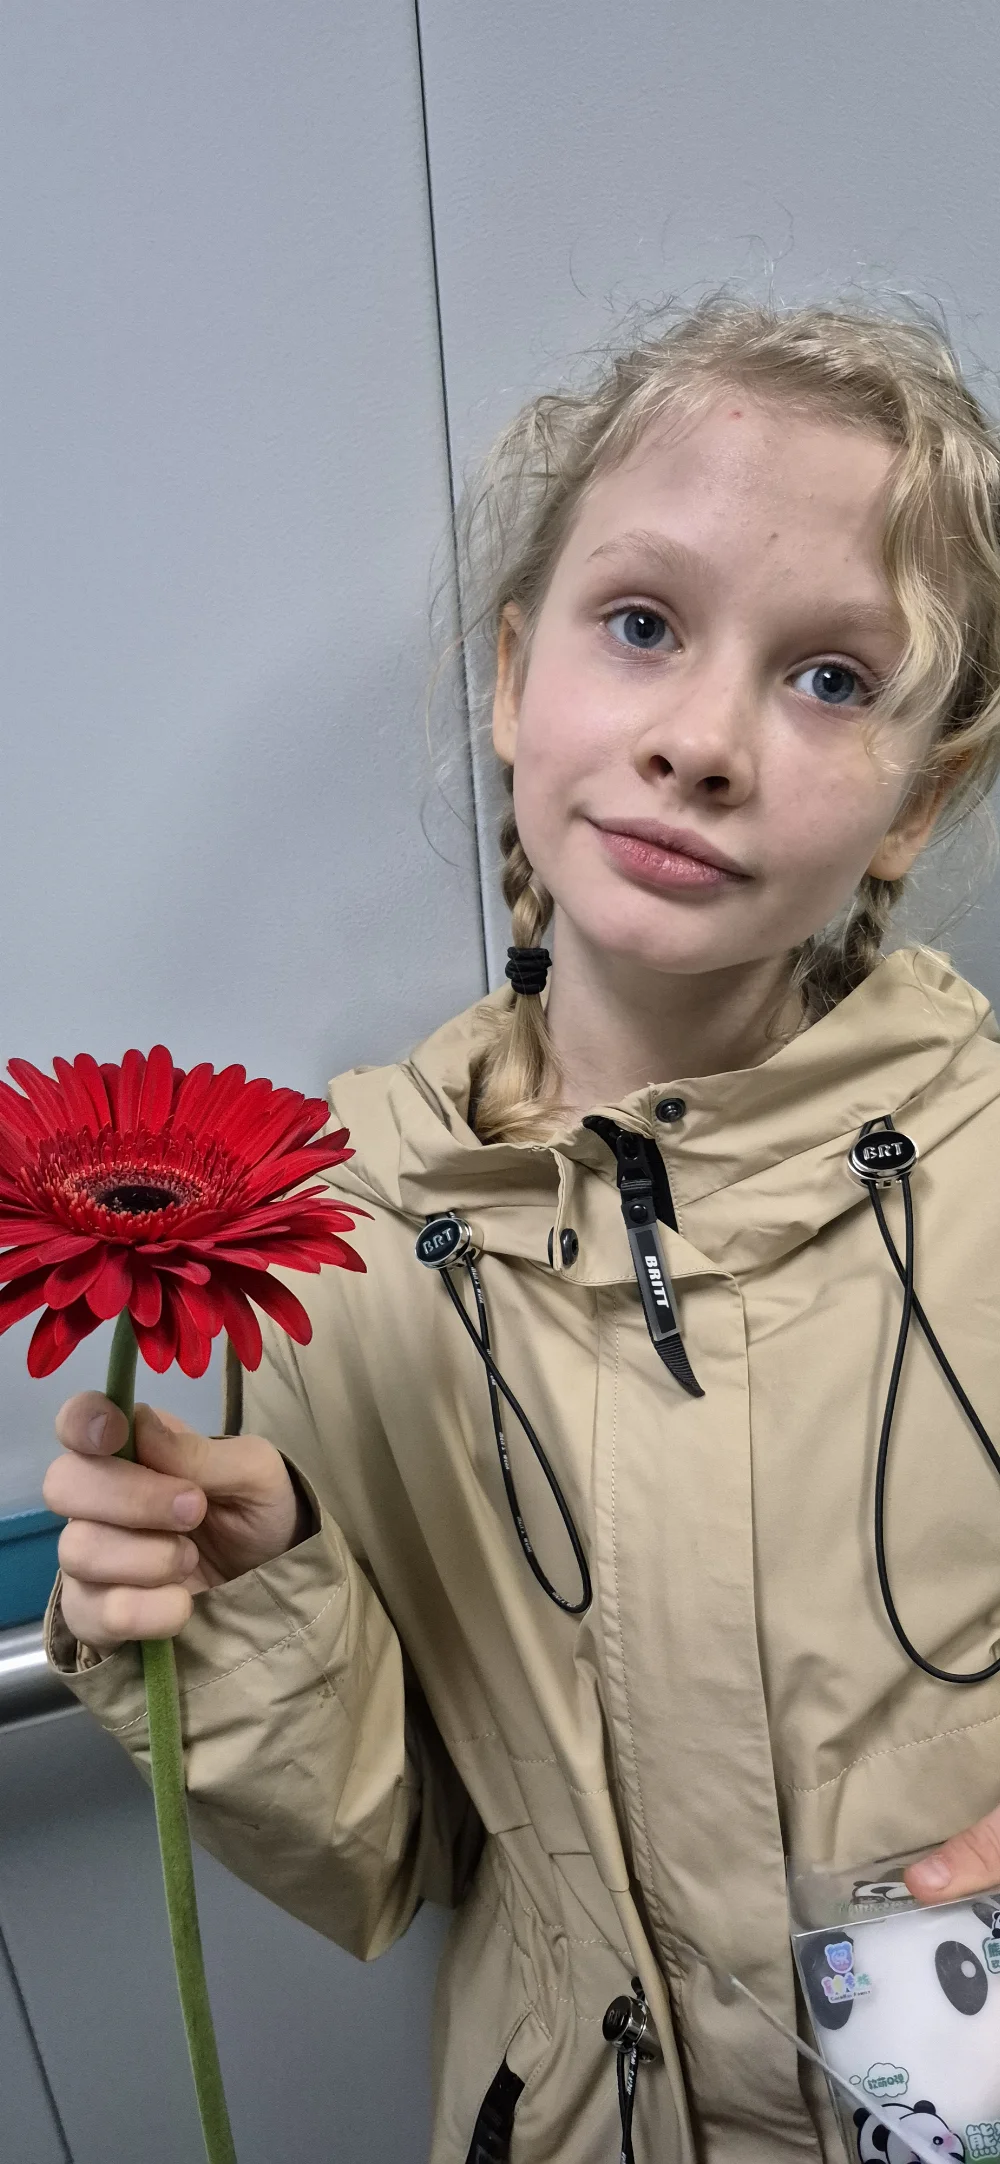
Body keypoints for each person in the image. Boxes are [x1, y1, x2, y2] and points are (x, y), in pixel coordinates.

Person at [40, 290, 1000, 2164]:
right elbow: (385, 1853)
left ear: (920, 799)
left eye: (829, 679)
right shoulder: (326, 1225)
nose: (702, 741)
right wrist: (238, 1615)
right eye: (641, 626)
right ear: (509, 676)